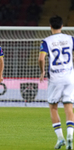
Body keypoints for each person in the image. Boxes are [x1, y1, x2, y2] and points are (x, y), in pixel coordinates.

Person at [38, 16, 74, 149]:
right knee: (68, 107)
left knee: (53, 107)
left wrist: (42, 72)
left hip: (55, 78)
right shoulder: (70, 39)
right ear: (62, 26)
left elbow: (41, 58)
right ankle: (70, 134)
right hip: (69, 77)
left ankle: (60, 138)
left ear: (50, 26)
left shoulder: (47, 41)